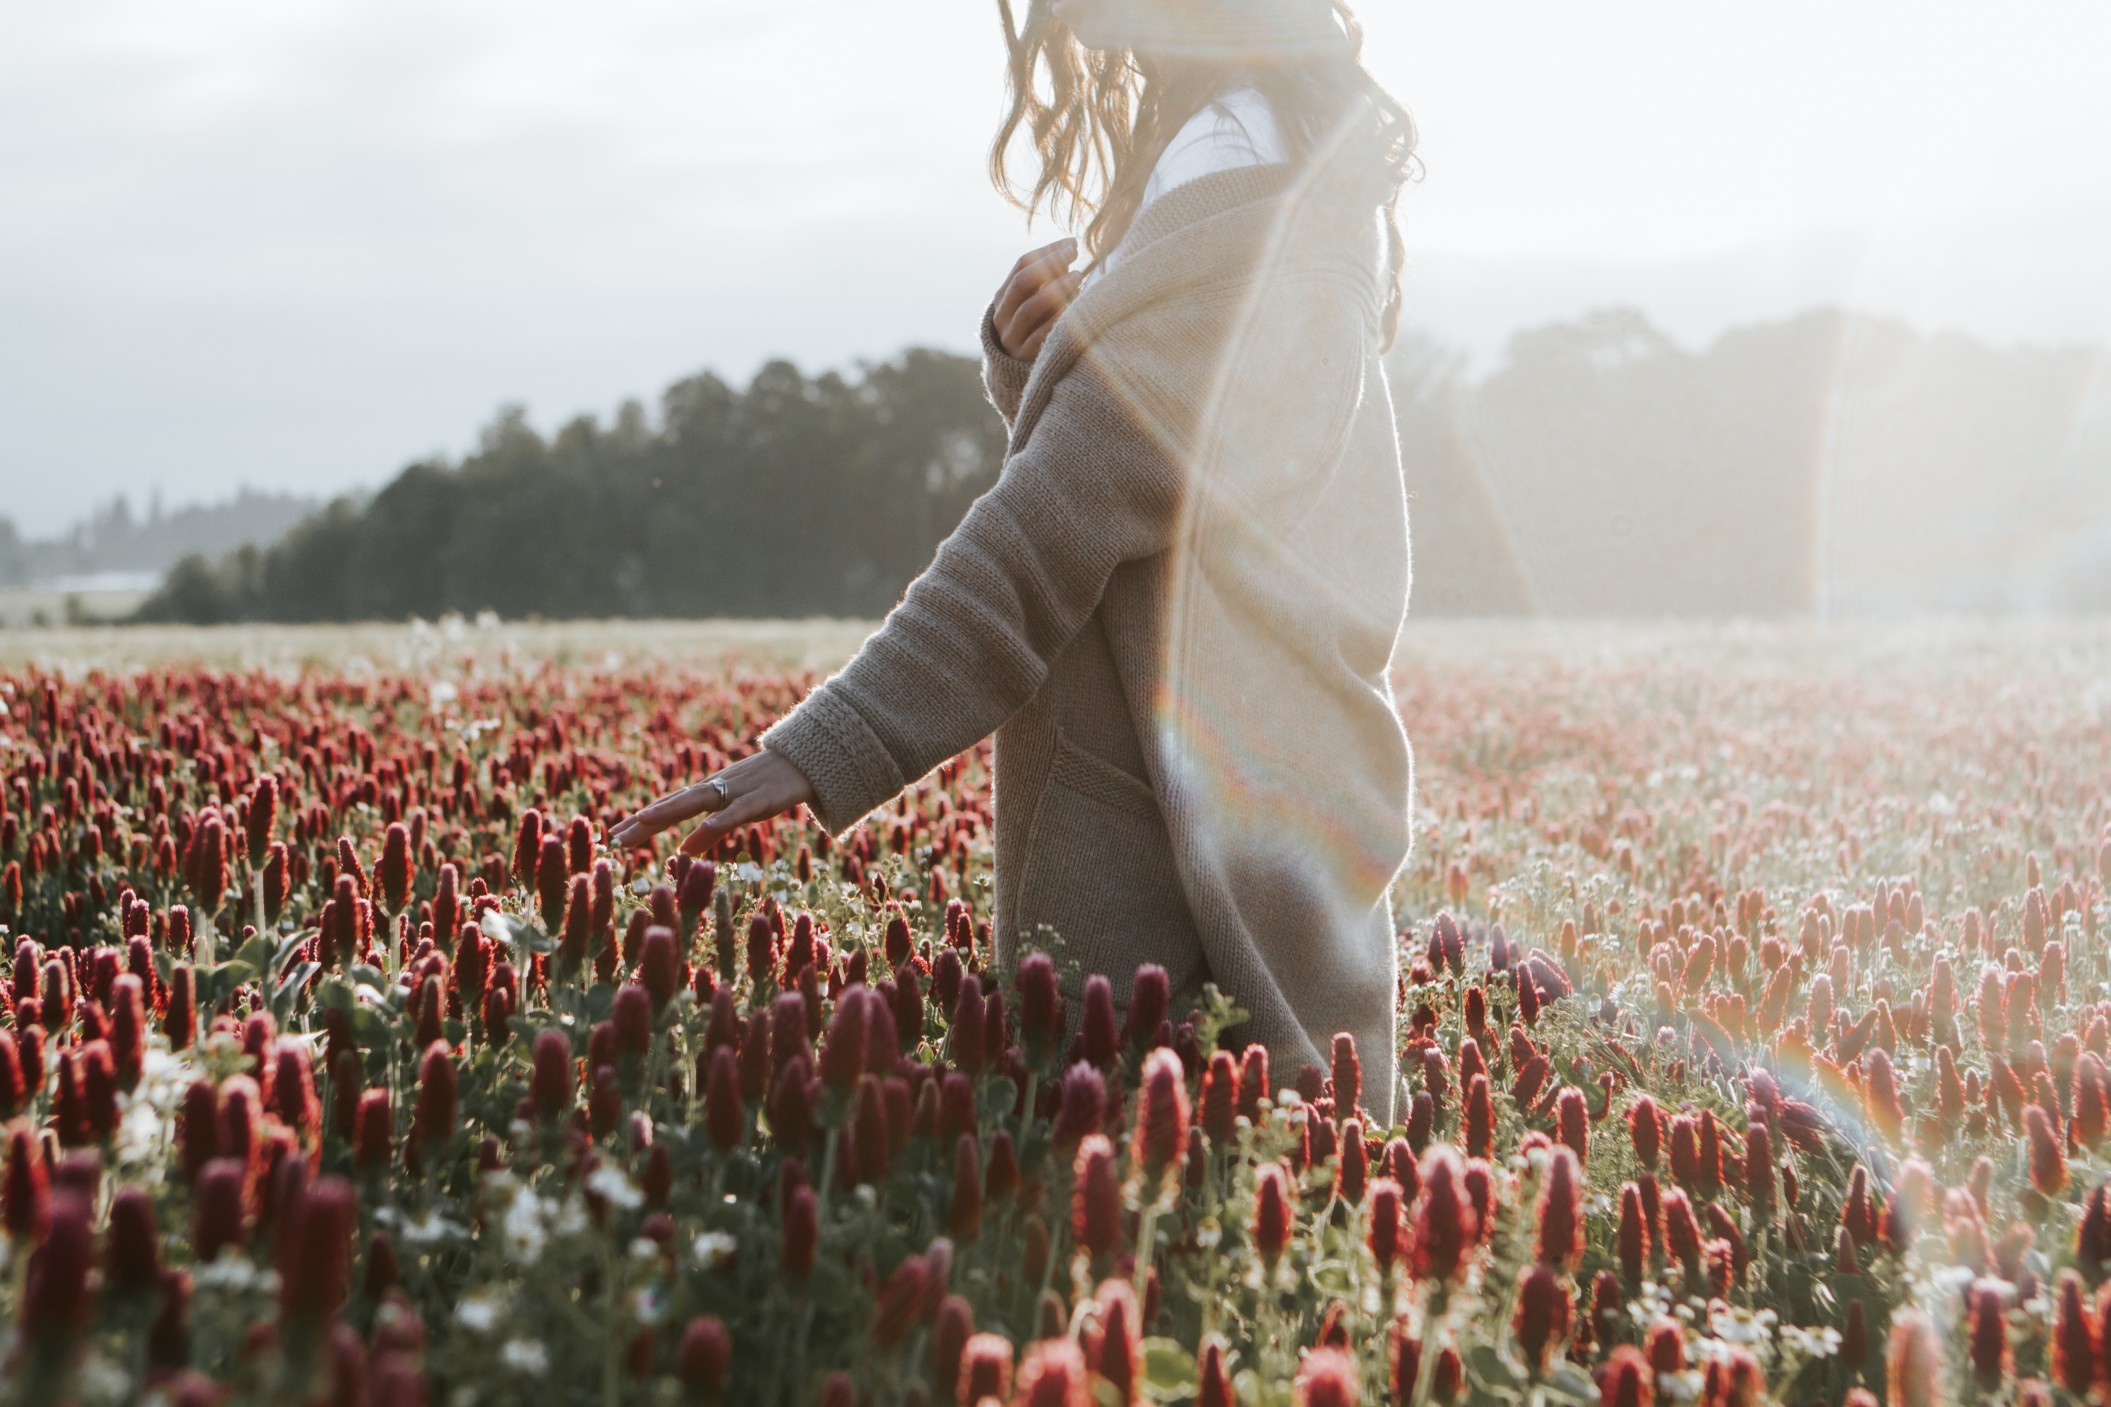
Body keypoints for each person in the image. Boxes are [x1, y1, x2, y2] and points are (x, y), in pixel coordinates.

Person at [610, 0, 1420, 1125]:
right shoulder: (1261, 156)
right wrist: (1039, 363)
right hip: (1234, 766)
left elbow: (1059, 517)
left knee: (1185, 1187)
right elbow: (1153, 472)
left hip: (1195, 809)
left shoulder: (1241, 177)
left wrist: (834, 742)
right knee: (1217, 1187)